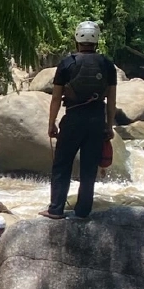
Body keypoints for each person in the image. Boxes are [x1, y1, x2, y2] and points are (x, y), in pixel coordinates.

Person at [41, 21, 118, 220]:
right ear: (96, 40)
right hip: (96, 120)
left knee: (62, 164)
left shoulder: (67, 63)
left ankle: (55, 209)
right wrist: (109, 126)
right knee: (89, 167)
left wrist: (52, 123)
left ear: (77, 39)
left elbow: (56, 97)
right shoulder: (107, 64)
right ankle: (83, 211)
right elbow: (111, 100)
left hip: (73, 118)